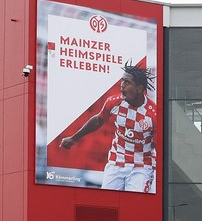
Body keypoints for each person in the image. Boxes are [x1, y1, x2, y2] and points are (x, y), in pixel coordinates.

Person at [59, 64, 158, 192]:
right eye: (122, 81)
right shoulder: (115, 102)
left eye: (127, 82)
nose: (122, 85)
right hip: (116, 161)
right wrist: (73, 139)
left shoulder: (153, 114)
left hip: (141, 167)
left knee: (134, 205)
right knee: (108, 201)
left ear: (139, 88)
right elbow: (98, 120)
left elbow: (158, 145)